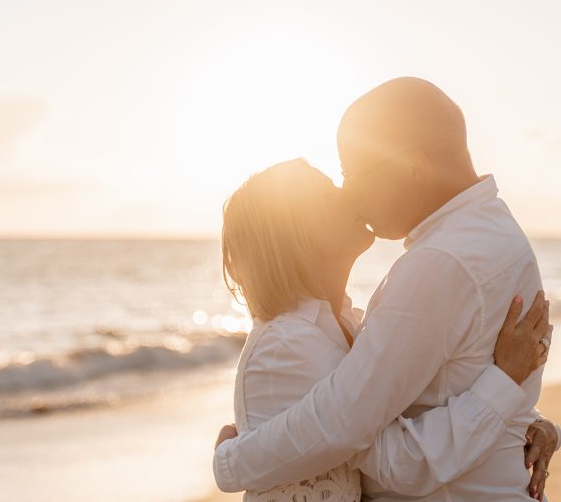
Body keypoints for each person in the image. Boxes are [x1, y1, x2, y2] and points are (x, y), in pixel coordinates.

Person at [214, 78, 560, 501]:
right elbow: (403, 402)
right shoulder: (484, 237)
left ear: (412, 166)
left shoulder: (441, 262)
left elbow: (352, 428)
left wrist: (232, 461)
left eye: (352, 173)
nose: (350, 195)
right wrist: (512, 401)